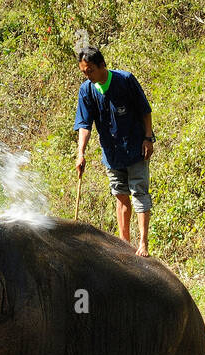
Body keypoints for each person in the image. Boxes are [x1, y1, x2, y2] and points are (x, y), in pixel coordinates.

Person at [73, 46, 156, 256]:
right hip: (112, 154)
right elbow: (84, 124)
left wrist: (148, 139)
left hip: (136, 148)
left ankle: (143, 244)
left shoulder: (125, 80)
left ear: (102, 65)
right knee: (120, 196)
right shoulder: (87, 90)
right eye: (83, 72)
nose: (87, 75)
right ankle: (125, 244)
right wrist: (81, 152)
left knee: (139, 193)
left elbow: (145, 111)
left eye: (90, 70)